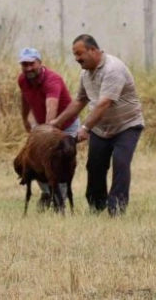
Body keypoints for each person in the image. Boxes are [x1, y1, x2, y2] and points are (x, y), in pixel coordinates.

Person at [49, 35, 144, 216]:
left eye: (79, 54)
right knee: (95, 166)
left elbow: (103, 103)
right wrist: (56, 123)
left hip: (127, 126)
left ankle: (116, 208)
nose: (77, 58)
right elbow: (80, 100)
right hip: (101, 128)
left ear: (93, 50)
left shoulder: (113, 69)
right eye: (74, 55)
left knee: (120, 162)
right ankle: (96, 205)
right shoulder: (86, 73)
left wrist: (85, 128)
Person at [17, 47, 79, 209]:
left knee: (61, 164)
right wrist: (25, 119)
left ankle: (60, 204)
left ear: (40, 63)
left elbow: (51, 108)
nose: (28, 68)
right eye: (25, 64)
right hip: (43, 125)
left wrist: (44, 136)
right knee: (34, 160)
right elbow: (25, 99)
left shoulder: (52, 80)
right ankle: (47, 193)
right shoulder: (23, 80)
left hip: (65, 126)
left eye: (32, 64)